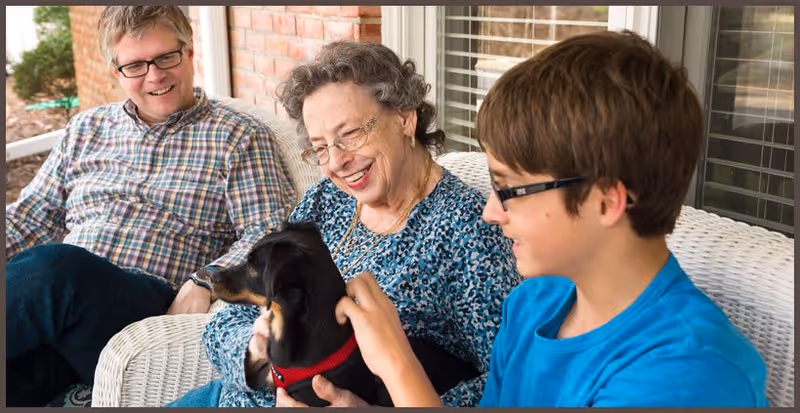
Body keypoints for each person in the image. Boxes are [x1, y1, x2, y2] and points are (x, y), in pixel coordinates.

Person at [313, 30, 769, 407]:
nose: (491, 212)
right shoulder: (532, 304)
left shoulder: (687, 372)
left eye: (510, 189)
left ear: (605, 201)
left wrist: (397, 363)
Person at [167, 40, 520, 408]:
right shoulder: (325, 201)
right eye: (320, 147)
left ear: (404, 117)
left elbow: (508, 382)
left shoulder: (470, 230)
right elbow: (226, 322)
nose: (336, 162)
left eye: (349, 134)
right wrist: (267, 366)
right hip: (229, 397)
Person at [4, 6, 295, 407]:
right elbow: (32, 214)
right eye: (136, 65)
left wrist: (206, 279)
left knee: (56, 268)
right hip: (63, 318)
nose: (155, 75)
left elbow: (270, 231)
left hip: (141, 305)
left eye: (165, 57)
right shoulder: (86, 129)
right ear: (116, 71)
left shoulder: (237, 137)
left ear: (189, 52)